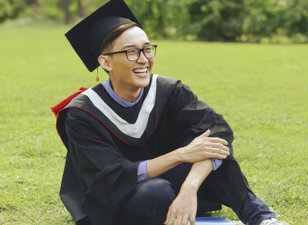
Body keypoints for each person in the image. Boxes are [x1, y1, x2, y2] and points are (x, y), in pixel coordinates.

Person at [52, 1, 290, 225]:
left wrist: (189, 187)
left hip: (174, 187)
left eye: (147, 49)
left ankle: (262, 218)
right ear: (105, 62)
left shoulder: (169, 91)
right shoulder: (82, 113)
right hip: (120, 200)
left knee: (214, 151)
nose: (144, 59)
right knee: (156, 192)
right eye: (131, 52)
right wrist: (181, 155)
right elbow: (110, 178)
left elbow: (217, 131)